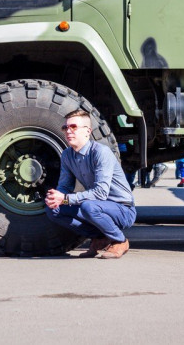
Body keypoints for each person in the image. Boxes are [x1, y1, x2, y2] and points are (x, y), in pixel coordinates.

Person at [45, 109, 136, 259]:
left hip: (122, 209)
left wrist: (66, 199)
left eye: (73, 127)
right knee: (53, 210)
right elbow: (65, 186)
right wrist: (56, 198)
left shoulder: (101, 152)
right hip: (97, 206)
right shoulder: (67, 155)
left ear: (87, 131)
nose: (68, 131)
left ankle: (120, 241)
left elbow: (100, 193)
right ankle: (100, 238)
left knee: (89, 207)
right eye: (65, 127)